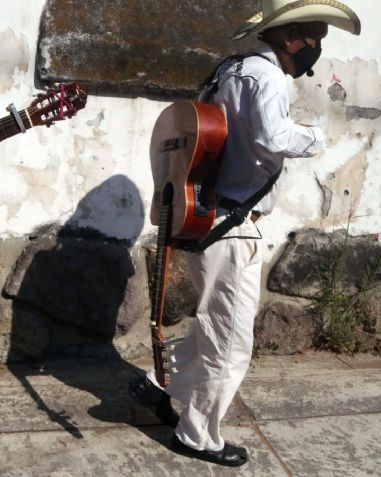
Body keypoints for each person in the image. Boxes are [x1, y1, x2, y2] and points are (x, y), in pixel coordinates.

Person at [130, 0, 362, 468]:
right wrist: (315, 138)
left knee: (215, 324)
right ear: (291, 35)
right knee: (231, 341)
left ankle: (159, 385)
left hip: (207, 219)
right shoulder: (269, 77)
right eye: (316, 37)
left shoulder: (230, 70)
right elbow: (273, 138)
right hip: (233, 228)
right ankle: (197, 436)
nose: (317, 49)